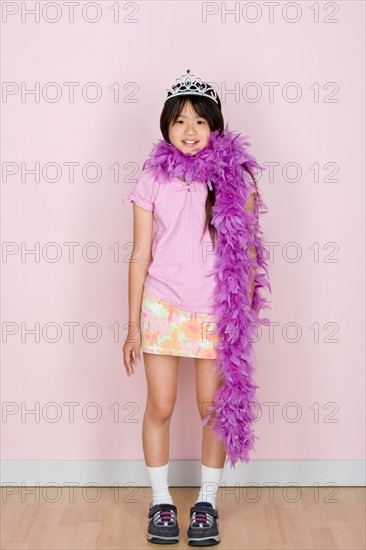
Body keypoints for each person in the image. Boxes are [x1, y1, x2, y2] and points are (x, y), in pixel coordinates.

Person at [122, 70, 270, 546]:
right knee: (161, 404)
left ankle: (206, 501)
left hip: (215, 310)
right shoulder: (151, 178)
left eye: (200, 122)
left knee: (212, 408)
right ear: (165, 125)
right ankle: (161, 501)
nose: (189, 131)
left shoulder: (236, 178)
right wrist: (132, 327)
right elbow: (140, 254)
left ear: (216, 128)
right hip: (162, 304)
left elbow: (246, 253)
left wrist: (240, 320)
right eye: (180, 121)